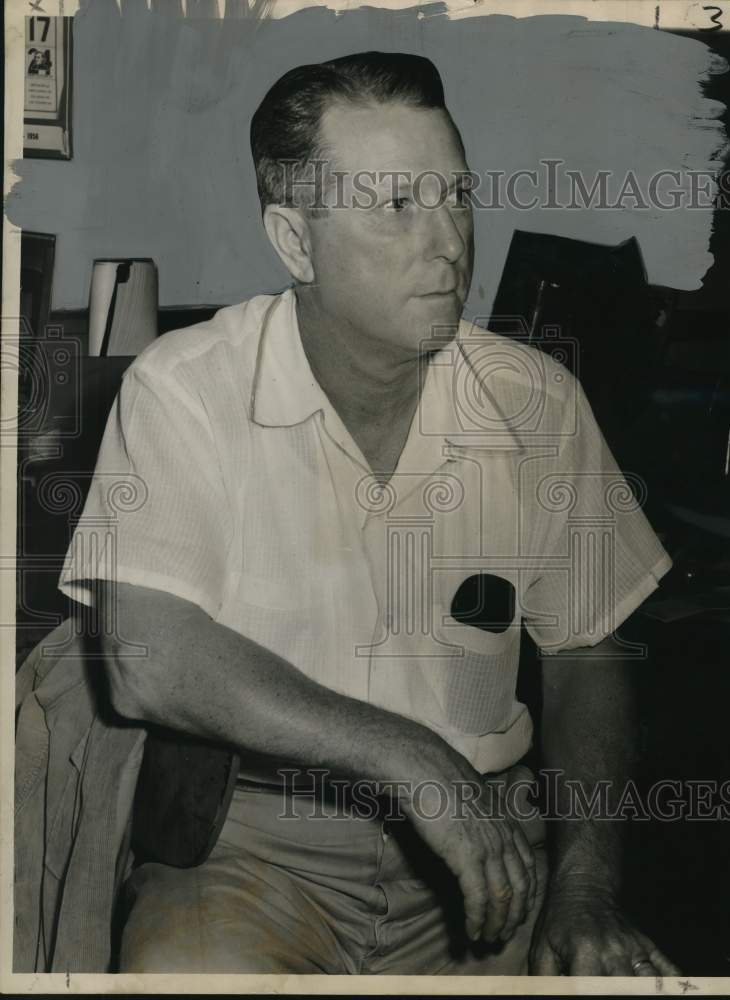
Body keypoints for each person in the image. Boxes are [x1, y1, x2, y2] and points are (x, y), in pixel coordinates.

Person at [57, 51, 680, 976]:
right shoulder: (184, 388)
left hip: (492, 860)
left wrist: (584, 893)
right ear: (295, 240)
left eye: (456, 196)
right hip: (252, 855)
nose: (449, 242)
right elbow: (149, 658)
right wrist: (413, 761)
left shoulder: (534, 400)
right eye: (398, 206)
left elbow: (588, 650)